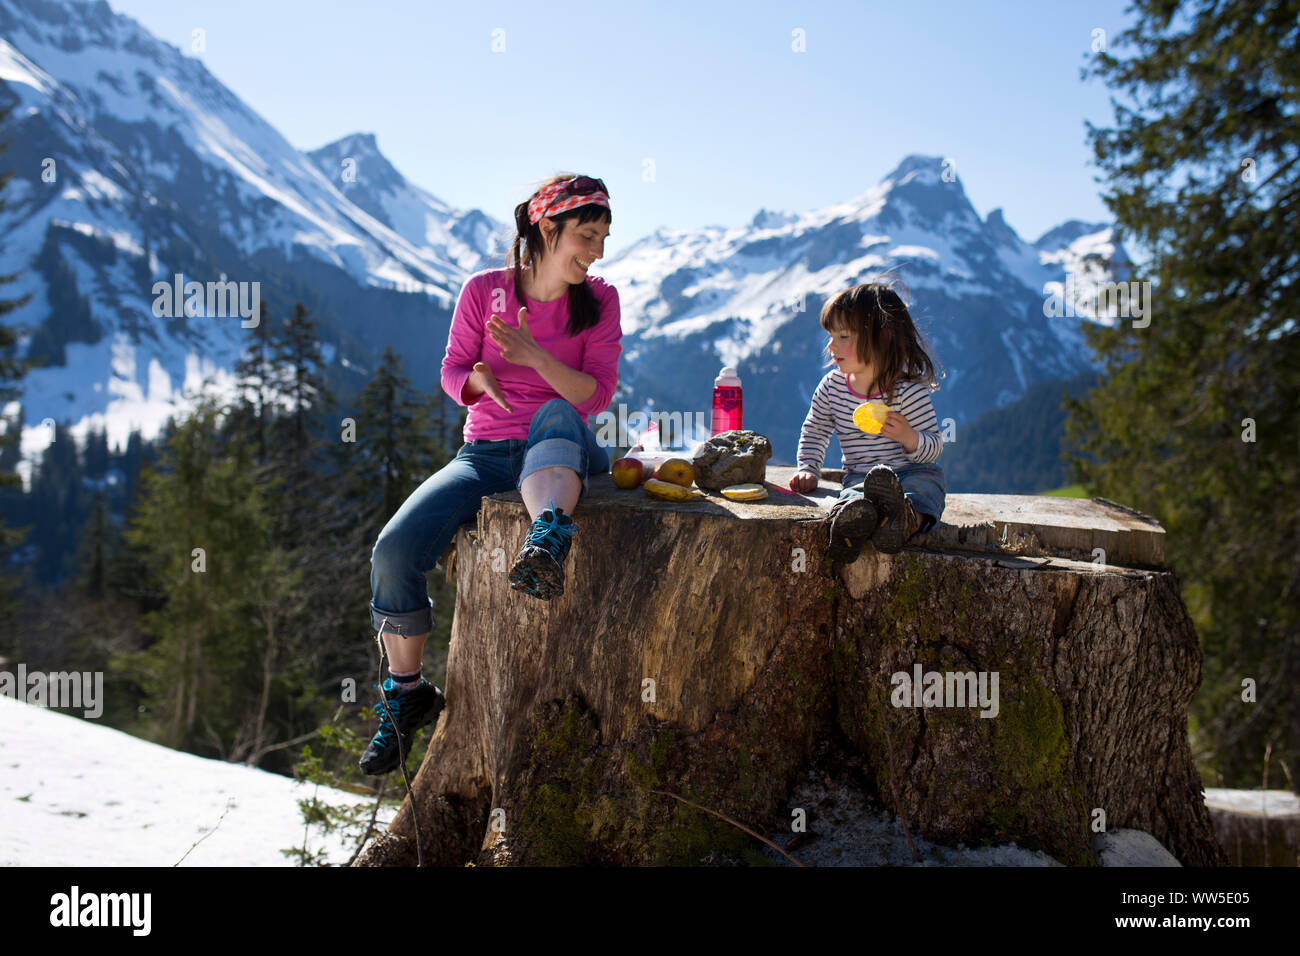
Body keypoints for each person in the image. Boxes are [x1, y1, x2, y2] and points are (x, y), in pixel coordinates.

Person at [359, 174, 620, 775]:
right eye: (586, 236)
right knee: (394, 551)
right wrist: (478, 380)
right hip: (484, 455)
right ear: (546, 229)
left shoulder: (600, 302)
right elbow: (451, 373)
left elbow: (595, 395)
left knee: (557, 410)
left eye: (603, 238)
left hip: (562, 447)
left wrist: (534, 359)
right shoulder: (483, 290)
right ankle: (407, 692)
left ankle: (547, 535)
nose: (597, 252)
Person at [788, 281, 946, 561]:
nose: (831, 345)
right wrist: (809, 468)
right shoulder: (832, 387)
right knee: (855, 497)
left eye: (843, 336)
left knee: (925, 489)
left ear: (882, 338)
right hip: (861, 476)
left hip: (911, 473)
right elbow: (815, 429)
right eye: (830, 335)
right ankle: (849, 529)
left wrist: (910, 438)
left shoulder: (907, 390)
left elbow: (934, 445)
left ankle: (905, 521)